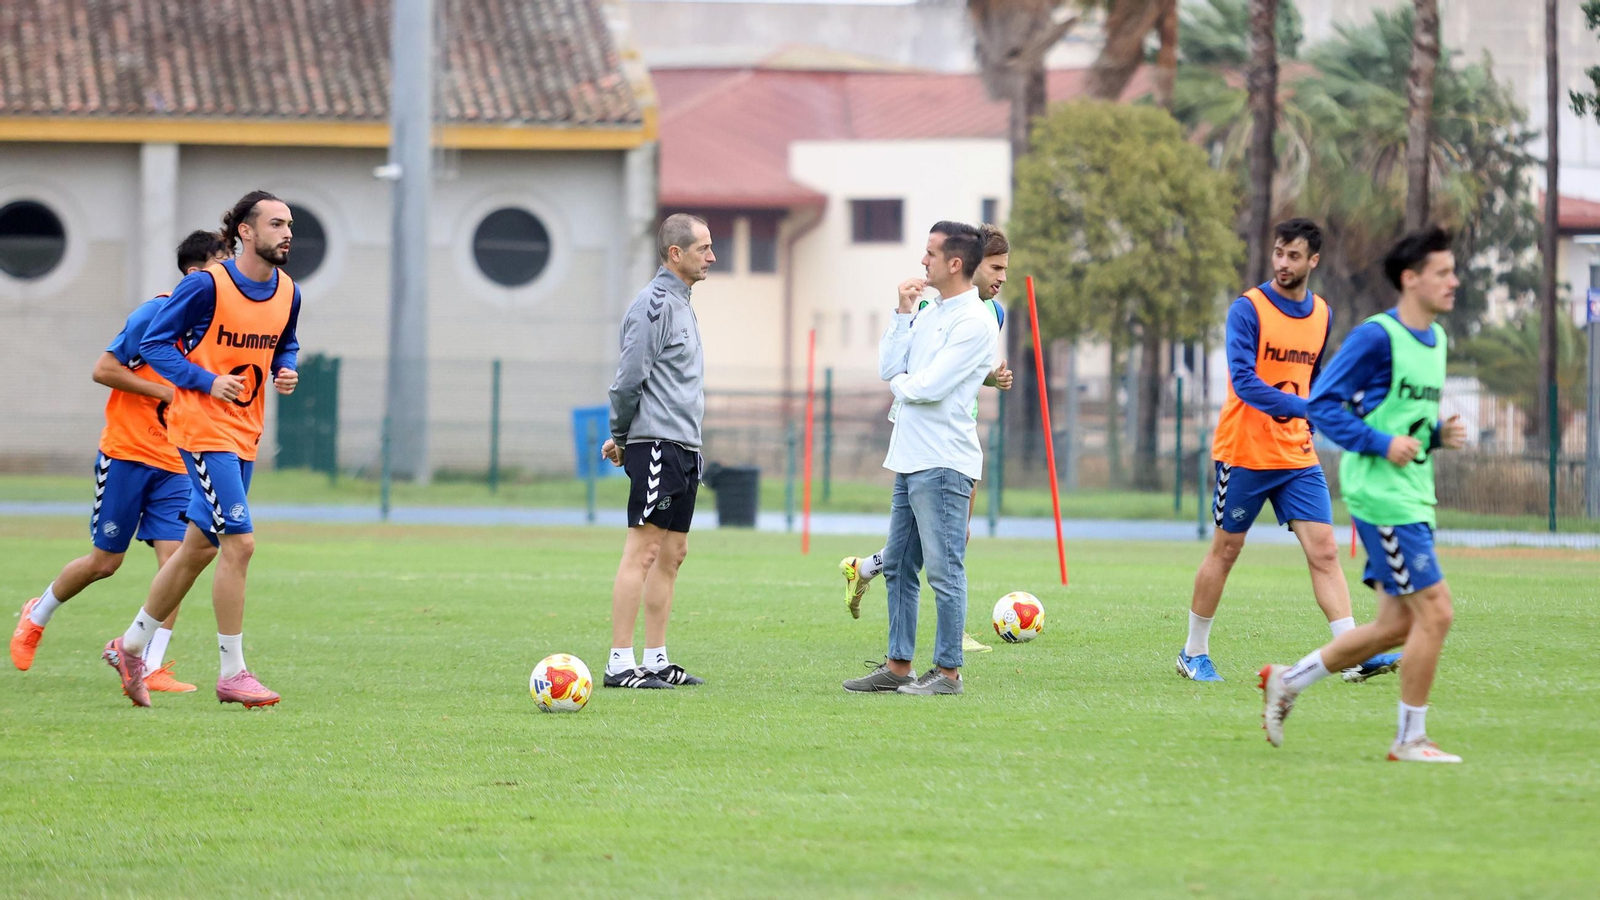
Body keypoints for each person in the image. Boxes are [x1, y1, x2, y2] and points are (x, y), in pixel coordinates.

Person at [1259, 225, 1468, 763]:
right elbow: (1324, 405)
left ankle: (1289, 680)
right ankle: (1409, 739)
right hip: (1381, 497)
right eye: (1443, 272)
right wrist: (1379, 443)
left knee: (1395, 625)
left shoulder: (1438, 340)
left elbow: (1405, 427)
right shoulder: (1378, 336)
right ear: (1410, 279)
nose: (1454, 281)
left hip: (1415, 493)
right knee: (1436, 613)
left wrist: (1435, 437)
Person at [1176, 218, 1399, 683]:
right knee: (1226, 550)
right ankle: (1193, 653)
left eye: (1293, 255)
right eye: (1279, 252)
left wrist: (1330, 411)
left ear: (1313, 260)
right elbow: (1245, 383)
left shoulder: (1322, 313)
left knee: (1325, 551)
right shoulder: (1248, 309)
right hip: (1244, 452)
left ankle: (1350, 652)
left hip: (1296, 455)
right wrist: (1309, 405)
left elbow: (1315, 381)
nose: (1282, 262)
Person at [102, 190, 301, 709]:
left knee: (200, 548)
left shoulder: (288, 291)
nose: (287, 233)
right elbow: (154, 346)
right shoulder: (207, 286)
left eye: (290, 225)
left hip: (245, 432)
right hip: (203, 429)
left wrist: (286, 369)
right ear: (246, 232)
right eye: (277, 223)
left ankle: (131, 647)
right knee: (241, 544)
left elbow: (286, 341)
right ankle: (233, 672)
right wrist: (205, 382)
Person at [11, 231, 230, 691]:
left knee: (179, 560)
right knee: (105, 562)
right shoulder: (155, 313)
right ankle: (38, 612)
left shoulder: (217, 323)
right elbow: (104, 369)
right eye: (223, 261)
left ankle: (147, 663)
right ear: (196, 272)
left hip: (175, 460)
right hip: (128, 453)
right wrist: (165, 390)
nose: (231, 270)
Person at [839, 223, 1014, 655]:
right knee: (897, 567)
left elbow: (927, 387)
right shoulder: (930, 310)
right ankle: (898, 666)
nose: (922, 260)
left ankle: (948, 671)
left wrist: (901, 382)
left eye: (930, 253)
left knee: (945, 572)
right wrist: (901, 313)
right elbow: (890, 365)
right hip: (911, 455)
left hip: (944, 460)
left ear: (955, 264)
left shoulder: (976, 321)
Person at [598, 213, 712, 690]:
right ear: (675, 254)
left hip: (685, 447)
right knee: (642, 551)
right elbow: (628, 380)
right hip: (658, 447)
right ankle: (619, 663)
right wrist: (621, 437)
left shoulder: (684, 304)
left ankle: (657, 658)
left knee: (674, 553)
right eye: (703, 247)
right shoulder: (654, 306)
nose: (711, 256)